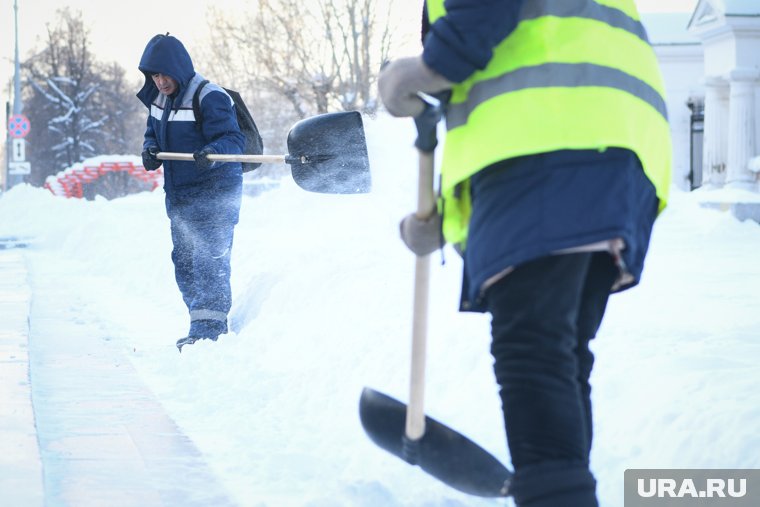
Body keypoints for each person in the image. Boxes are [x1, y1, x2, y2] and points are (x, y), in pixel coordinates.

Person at [378, 1, 671, 506]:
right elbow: (499, 98)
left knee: (533, 350)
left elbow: (496, 64)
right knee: (559, 353)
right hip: (614, 146)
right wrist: (445, 221)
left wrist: (427, 67)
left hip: (553, 142)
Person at [136, 33, 246, 351]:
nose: (160, 81)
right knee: (184, 262)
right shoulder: (158, 101)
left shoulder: (209, 96)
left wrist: (211, 151)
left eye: (164, 73)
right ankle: (200, 322)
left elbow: (233, 140)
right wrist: (150, 149)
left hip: (215, 191)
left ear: (178, 68)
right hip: (181, 195)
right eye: (154, 75)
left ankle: (209, 331)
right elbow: (150, 133)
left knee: (208, 259)